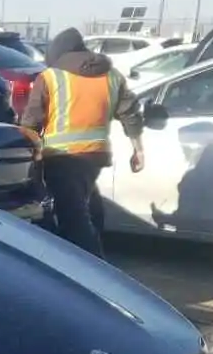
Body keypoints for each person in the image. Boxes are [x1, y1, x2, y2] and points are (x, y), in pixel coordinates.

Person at [20, 27, 145, 258]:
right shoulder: (112, 75)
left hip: (61, 157)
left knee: (73, 218)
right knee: (88, 207)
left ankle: (95, 272)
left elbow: (31, 122)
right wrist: (138, 150)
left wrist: (27, 154)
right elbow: (130, 113)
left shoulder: (50, 77)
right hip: (95, 156)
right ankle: (88, 254)